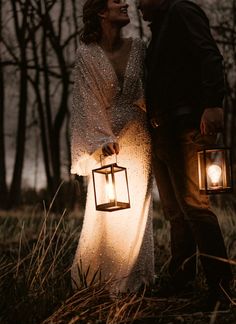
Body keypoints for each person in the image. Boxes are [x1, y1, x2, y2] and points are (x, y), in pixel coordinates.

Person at [139, 0, 233, 304]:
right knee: (175, 213)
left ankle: (220, 286)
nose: (138, 4)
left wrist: (213, 102)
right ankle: (181, 277)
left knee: (195, 206)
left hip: (185, 128)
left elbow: (210, 55)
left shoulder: (182, 11)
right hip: (161, 133)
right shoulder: (158, 32)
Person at [70, 0, 154, 295]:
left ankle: (135, 283)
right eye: (117, 0)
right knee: (107, 212)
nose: (126, 3)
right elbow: (84, 100)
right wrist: (101, 140)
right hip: (104, 141)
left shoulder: (140, 47)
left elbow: (151, 89)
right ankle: (101, 281)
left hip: (139, 137)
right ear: (100, 12)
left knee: (137, 208)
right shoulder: (87, 54)